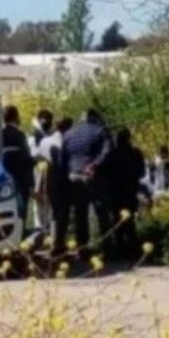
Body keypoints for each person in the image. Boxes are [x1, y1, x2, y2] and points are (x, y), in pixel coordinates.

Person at [56, 109, 113, 257]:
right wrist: (94, 165)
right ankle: (107, 248)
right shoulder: (100, 131)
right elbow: (108, 151)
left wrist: (64, 181)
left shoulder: (68, 134)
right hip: (93, 176)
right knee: (102, 213)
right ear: (95, 118)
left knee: (80, 214)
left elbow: (62, 160)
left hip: (74, 176)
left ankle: (82, 248)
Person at [105, 127, 147, 260]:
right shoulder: (135, 153)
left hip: (116, 193)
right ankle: (132, 250)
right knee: (130, 222)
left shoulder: (112, 154)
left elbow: (107, 174)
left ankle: (119, 251)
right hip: (130, 191)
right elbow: (142, 172)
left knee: (117, 221)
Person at [36, 116, 72, 240]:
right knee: (62, 212)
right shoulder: (64, 142)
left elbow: (38, 157)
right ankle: (58, 240)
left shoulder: (44, 141)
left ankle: (52, 239)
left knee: (54, 211)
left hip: (47, 178)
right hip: (62, 180)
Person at [1, 105, 35, 228]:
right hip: (20, 178)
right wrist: (35, 161)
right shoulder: (19, 135)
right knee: (22, 209)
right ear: (16, 117)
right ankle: (21, 233)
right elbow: (25, 157)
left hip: (4, 178)